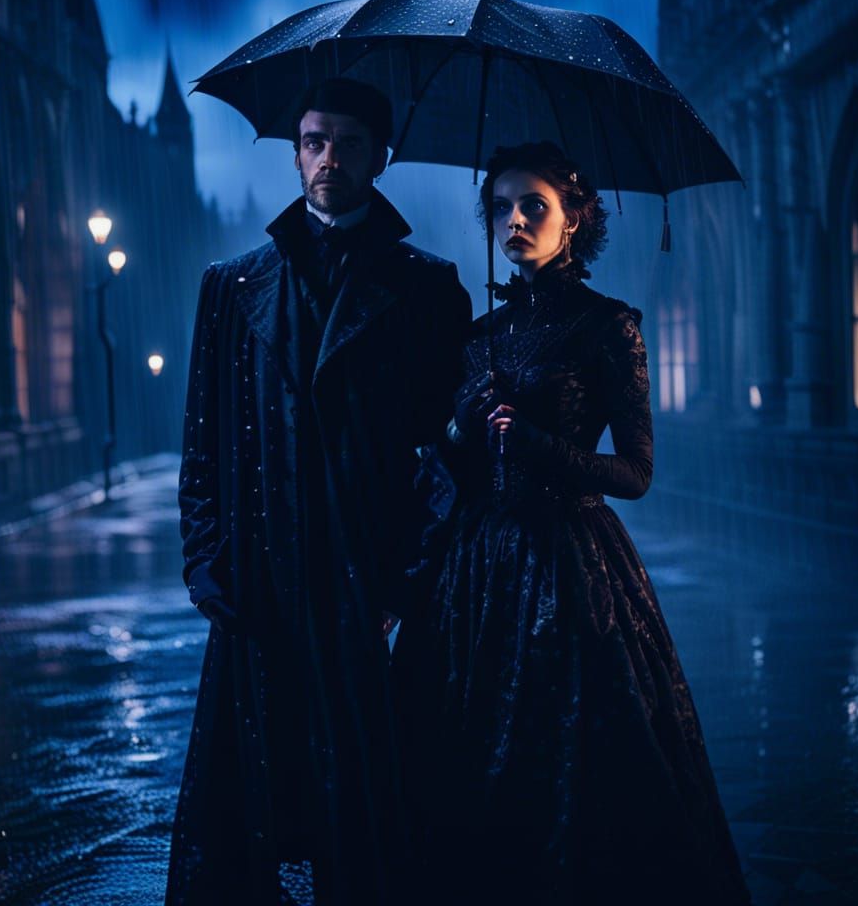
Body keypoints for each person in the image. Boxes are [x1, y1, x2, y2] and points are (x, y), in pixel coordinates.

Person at [399, 141, 751, 905]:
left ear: (575, 219)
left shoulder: (607, 327)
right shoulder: (479, 338)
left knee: (576, 766)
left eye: (534, 205)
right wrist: (460, 429)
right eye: (500, 207)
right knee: (466, 764)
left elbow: (636, 474)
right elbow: (449, 467)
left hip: (570, 570)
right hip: (475, 575)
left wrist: (538, 446)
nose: (514, 221)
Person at [165, 78, 472, 906]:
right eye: (314, 141)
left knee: (366, 810)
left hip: (362, 580)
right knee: (245, 810)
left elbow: (446, 457)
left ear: (381, 157)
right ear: (296, 153)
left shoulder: (428, 288)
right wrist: (205, 563)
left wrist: (406, 582)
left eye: (348, 143)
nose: (328, 158)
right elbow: (202, 440)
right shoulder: (232, 287)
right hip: (258, 578)